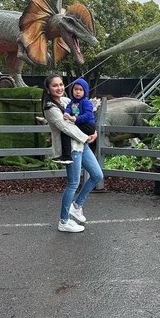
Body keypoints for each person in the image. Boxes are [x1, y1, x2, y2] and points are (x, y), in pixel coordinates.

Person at [42, 74, 104, 233]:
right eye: (55, 85)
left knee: (97, 175)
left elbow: (85, 114)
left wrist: (94, 132)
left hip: (82, 144)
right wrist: (87, 137)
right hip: (71, 149)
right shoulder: (50, 108)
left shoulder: (65, 101)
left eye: (61, 84)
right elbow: (67, 128)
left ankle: (76, 206)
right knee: (73, 184)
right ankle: (63, 220)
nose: (59, 88)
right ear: (48, 88)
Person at [52, 77, 96, 164]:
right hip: (80, 123)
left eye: (80, 90)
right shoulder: (73, 101)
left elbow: (88, 115)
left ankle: (66, 155)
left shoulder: (86, 102)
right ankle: (66, 154)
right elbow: (68, 108)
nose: (78, 92)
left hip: (88, 125)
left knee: (66, 132)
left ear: (85, 92)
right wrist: (66, 113)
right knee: (67, 131)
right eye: (76, 89)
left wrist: (76, 119)